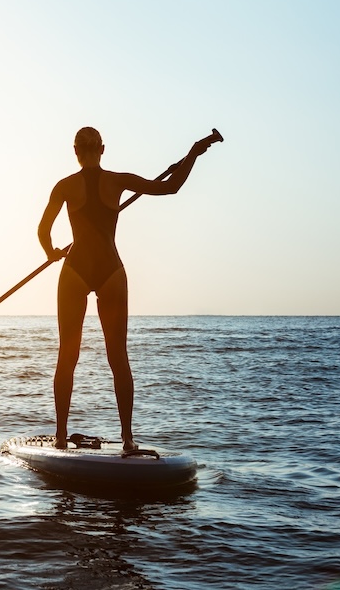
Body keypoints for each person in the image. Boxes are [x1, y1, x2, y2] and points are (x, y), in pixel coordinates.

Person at [37, 127, 215, 451]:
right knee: (118, 357)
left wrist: (50, 252)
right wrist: (194, 152)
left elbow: (43, 230)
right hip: (110, 271)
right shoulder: (118, 180)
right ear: (102, 150)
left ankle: (61, 437)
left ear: (75, 152)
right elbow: (171, 186)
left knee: (67, 357)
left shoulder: (64, 186)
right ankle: (128, 440)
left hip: (75, 270)